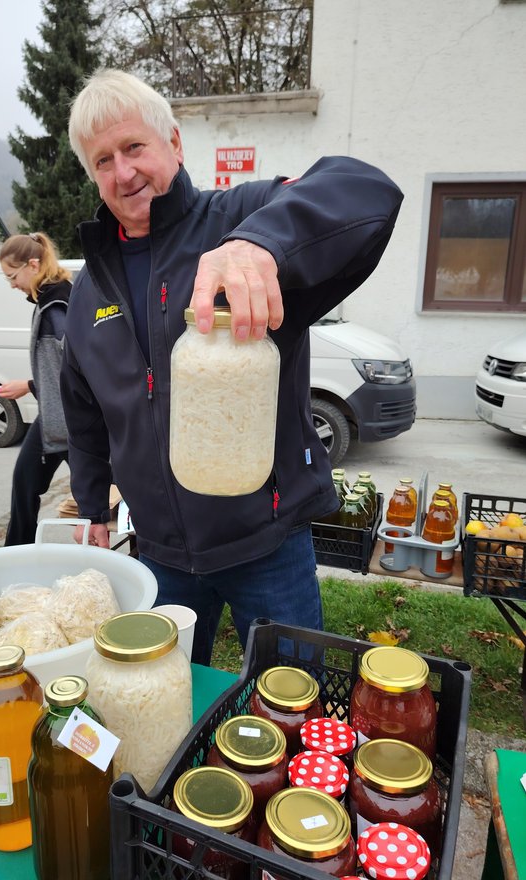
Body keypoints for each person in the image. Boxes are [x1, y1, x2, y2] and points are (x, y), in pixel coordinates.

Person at [61, 69, 404, 665]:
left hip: (265, 544)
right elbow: (85, 410)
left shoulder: (239, 218)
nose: (122, 173)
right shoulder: (92, 286)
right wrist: (92, 505)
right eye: (103, 160)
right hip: (160, 552)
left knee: (290, 703)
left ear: (174, 142)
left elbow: (365, 191)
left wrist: (263, 243)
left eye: (134, 147)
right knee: (169, 702)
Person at [0, 232, 72, 545]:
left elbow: (70, 371)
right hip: (60, 417)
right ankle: (16, 552)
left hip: (67, 420)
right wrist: (29, 385)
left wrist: (31, 386)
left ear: (32, 264)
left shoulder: (54, 306)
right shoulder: (54, 296)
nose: (12, 285)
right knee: (25, 483)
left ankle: (16, 553)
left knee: (27, 485)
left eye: (12, 276)